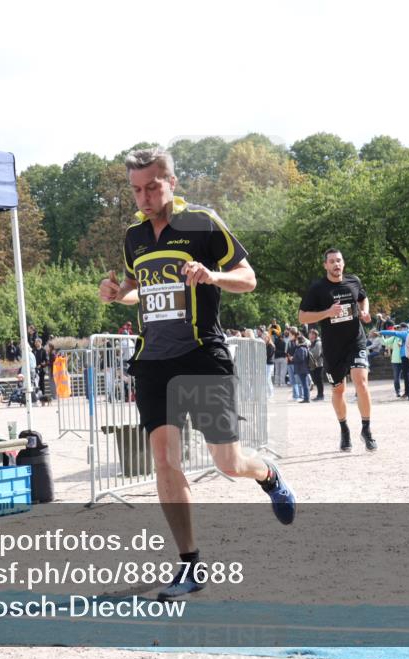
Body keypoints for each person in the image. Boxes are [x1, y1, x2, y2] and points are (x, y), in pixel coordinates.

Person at [98, 147, 295, 601]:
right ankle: (189, 564)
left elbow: (248, 278)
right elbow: (136, 289)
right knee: (164, 460)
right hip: (154, 362)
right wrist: (116, 293)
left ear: (172, 182)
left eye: (151, 187)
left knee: (228, 464)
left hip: (203, 356)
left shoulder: (202, 223)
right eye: (135, 190)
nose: (143, 197)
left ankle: (267, 475)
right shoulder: (134, 235)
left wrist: (212, 276)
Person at [298, 248, 376, 452]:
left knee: (361, 381)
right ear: (325, 265)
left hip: (355, 340)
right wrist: (327, 313)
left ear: (344, 263)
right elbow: (302, 317)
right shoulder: (317, 288)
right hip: (333, 347)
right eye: (331, 261)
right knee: (339, 389)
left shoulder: (354, 281)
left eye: (339, 260)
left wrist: (365, 311)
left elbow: (362, 298)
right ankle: (344, 429)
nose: (336, 264)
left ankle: (366, 429)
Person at [380, 322, 409, 398]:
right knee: (396, 378)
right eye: (397, 328)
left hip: (405, 358)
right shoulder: (394, 338)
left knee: (407, 376)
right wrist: (381, 336)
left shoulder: (405, 335)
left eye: (399, 328)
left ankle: (408, 391)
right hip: (396, 360)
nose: (398, 329)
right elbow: (384, 342)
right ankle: (398, 391)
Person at [291, 335, 312, 403]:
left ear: (299, 341)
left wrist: (293, 359)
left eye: (297, 340)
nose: (296, 341)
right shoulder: (303, 348)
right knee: (304, 384)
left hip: (302, 369)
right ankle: (306, 398)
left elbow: (301, 358)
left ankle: (306, 398)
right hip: (303, 368)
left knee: (304, 384)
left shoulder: (301, 348)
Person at [307, 329, 325, 401]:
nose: (309, 335)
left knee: (319, 380)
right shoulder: (312, 343)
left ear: (314, 335)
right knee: (317, 380)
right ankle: (319, 395)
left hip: (319, 364)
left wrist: (309, 353)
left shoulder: (318, 343)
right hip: (315, 364)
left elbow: (316, 353)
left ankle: (321, 396)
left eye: (310, 334)